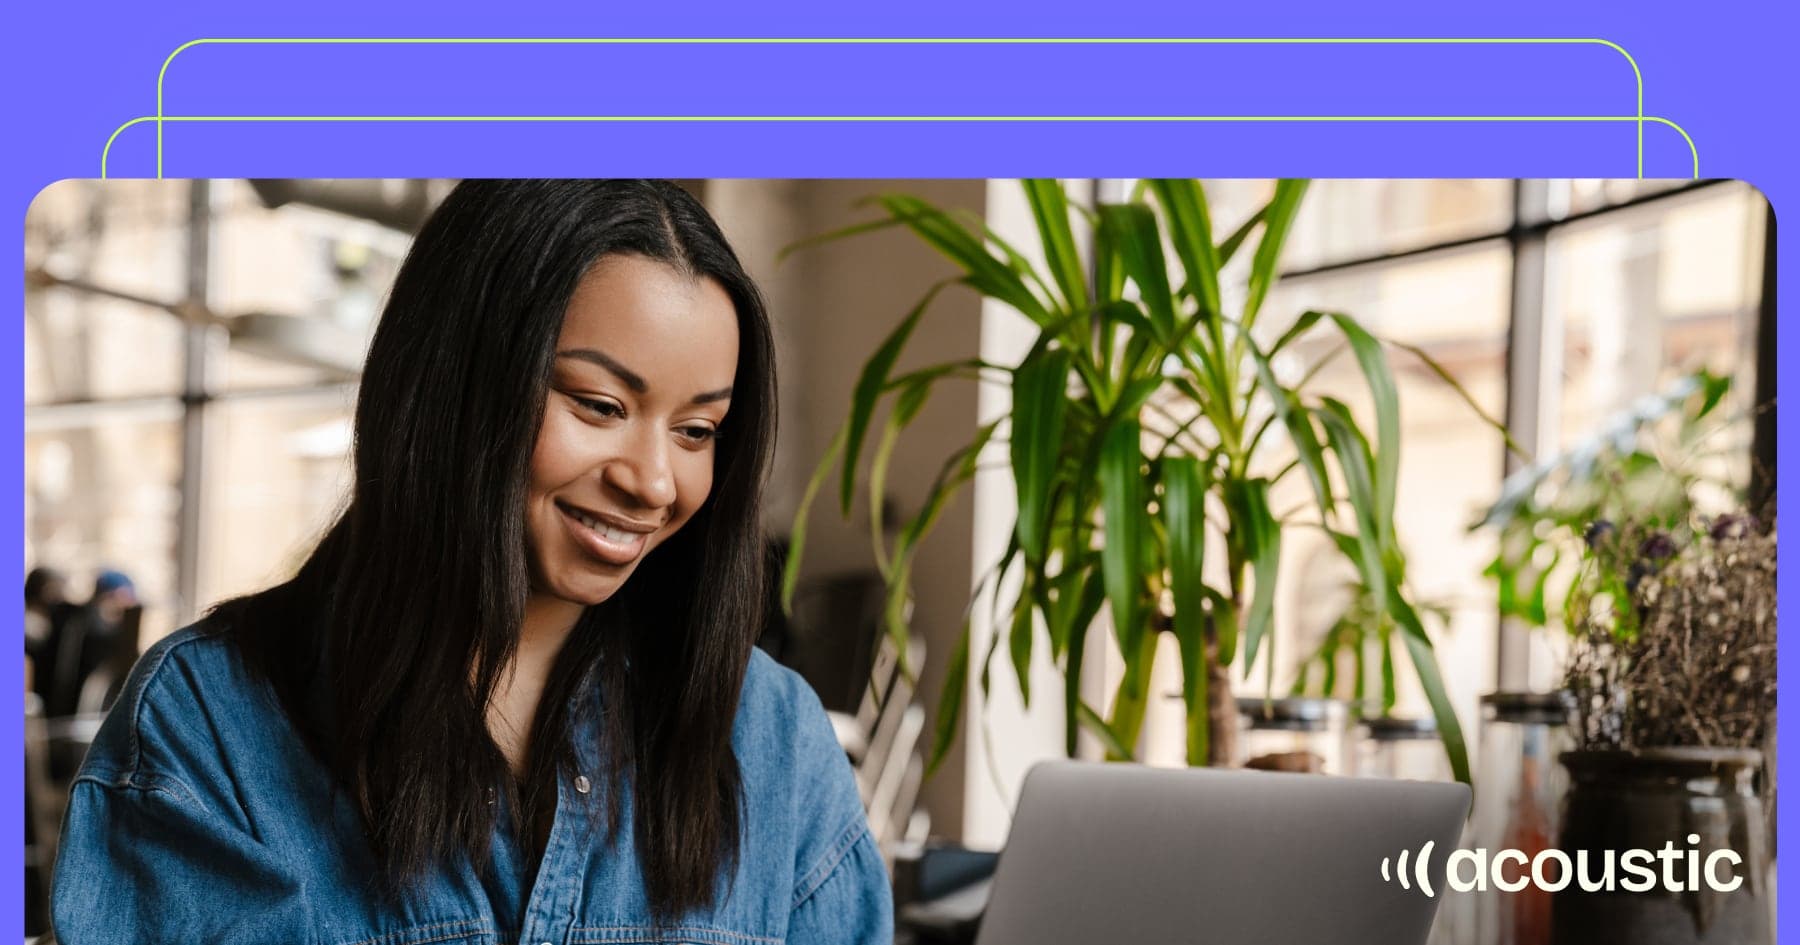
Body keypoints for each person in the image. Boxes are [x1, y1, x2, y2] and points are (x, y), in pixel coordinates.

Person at [50, 180, 893, 944]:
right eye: (600, 405)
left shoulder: (773, 737)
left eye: (697, 429)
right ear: (455, 386)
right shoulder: (213, 725)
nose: (654, 481)